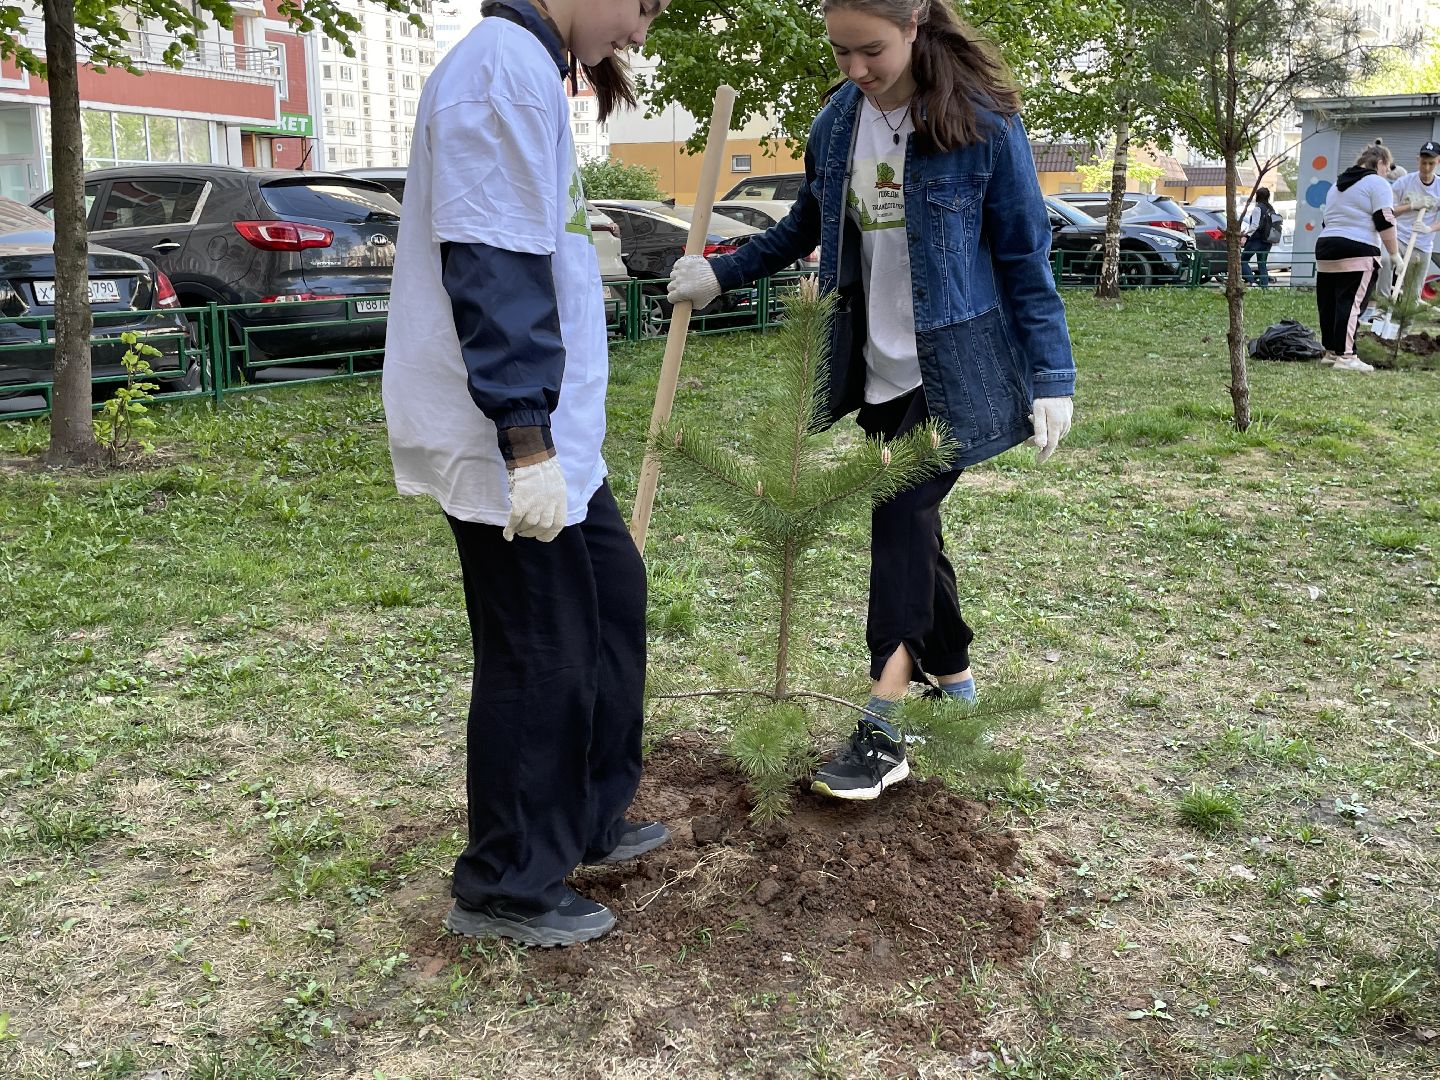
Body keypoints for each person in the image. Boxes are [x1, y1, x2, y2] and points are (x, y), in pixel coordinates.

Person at [667, 0, 1075, 802]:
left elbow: (1025, 257)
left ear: (915, 21)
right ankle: (955, 684)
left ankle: (882, 729)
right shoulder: (838, 124)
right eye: (840, 52)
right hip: (875, 369)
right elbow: (803, 226)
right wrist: (721, 272)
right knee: (917, 533)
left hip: (956, 371)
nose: (855, 70)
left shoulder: (982, 124)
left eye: (871, 51)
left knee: (898, 519)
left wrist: (1052, 375)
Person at [381, 0, 672, 947]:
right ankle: (506, 880)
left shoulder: (531, 70)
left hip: (558, 435)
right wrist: (526, 442)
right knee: (539, 649)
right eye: (645, 6)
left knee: (611, 604)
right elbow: (492, 267)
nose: (639, 35)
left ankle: (584, 816)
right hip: (511, 437)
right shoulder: (500, 72)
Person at [1314, 142, 1398, 373]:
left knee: (1329, 303)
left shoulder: (1336, 186)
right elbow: (1384, 219)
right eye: (1387, 168)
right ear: (1379, 163)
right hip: (1358, 248)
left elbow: (1327, 221)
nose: (1387, 174)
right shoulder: (1377, 183)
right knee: (1351, 303)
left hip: (1326, 246)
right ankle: (1347, 356)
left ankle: (1332, 352)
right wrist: (1394, 254)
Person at [1388, 140, 1440, 310]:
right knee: (1383, 265)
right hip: (1399, 238)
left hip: (1423, 244)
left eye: (1431, 163)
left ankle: (1405, 324)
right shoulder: (1404, 182)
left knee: (1412, 293)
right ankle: (1378, 311)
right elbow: (1389, 211)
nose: (1426, 168)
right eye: (1423, 163)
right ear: (1418, 160)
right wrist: (1411, 206)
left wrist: (1429, 228)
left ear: (1438, 161)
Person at [1240, 186, 1278, 288]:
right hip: (1267, 241)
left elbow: (1254, 225)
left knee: (1243, 260)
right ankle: (1264, 287)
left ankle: (1252, 282)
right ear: (1268, 196)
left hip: (1256, 240)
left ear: (1257, 196)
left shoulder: (1258, 208)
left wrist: (1246, 236)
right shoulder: (1271, 209)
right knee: (1262, 264)